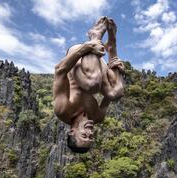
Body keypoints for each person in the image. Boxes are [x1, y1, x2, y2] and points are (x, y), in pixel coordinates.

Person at [53, 17, 125, 153]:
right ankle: (112, 47)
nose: (90, 132)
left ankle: (95, 35)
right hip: (97, 66)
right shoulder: (98, 116)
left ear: (72, 131)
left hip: (78, 56)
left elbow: (60, 71)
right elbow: (112, 91)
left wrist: (87, 47)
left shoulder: (63, 110)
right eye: (91, 136)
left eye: (84, 135)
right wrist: (120, 73)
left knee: (92, 84)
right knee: (115, 94)